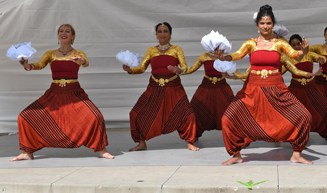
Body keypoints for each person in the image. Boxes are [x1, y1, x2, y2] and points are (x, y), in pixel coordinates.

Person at [213, 4, 320, 165]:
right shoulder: (251, 43)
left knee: (304, 116)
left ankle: (297, 154)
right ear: (257, 25)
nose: (265, 26)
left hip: (276, 88)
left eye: (268, 23)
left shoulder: (279, 44)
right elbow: (237, 54)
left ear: (273, 25)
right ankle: (236, 154)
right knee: (228, 119)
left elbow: (294, 54)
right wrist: (224, 58)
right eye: (262, 23)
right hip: (252, 89)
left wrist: (304, 51)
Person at [11, 24, 114, 161]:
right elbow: (39, 65)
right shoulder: (51, 54)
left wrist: (80, 61)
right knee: (24, 117)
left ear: (73, 36)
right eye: (61, 31)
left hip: (74, 93)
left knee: (96, 117)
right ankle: (27, 152)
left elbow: (86, 62)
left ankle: (102, 150)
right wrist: (26, 65)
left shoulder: (78, 53)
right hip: (54, 93)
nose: (63, 33)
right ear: (58, 35)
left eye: (67, 31)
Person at [123, 22, 199, 152]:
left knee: (188, 114)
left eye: (165, 31)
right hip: (154, 88)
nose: (162, 34)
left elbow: (185, 68)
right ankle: (141, 143)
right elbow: (142, 68)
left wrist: (178, 70)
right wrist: (131, 70)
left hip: (174, 88)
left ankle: (190, 142)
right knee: (135, 113)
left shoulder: (176, 49)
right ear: (156, 34)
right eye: (159, 31)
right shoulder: (151, 50)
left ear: (170, 34)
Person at [284, 34, 327, 140]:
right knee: (292, 114)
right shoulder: (288, 60)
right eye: (293, 45)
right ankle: (292, 136)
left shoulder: (309, 55)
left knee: (325, 109)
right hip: (295, 89)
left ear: (302, 44)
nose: (296, 46)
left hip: (311, 87)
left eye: (298, 44)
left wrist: (321, 59)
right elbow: (278, 71)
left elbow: (321, 58)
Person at [183, 53, 234, 139]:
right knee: (195, 109)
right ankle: (193, 135)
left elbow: (234, 71)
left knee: (232, 110)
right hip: (206, 85)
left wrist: (244, 77)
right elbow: (191, 69)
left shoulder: (225, 56)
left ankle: (236, 136)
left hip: (222, 85)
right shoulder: (204, 56)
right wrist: (178, 71)